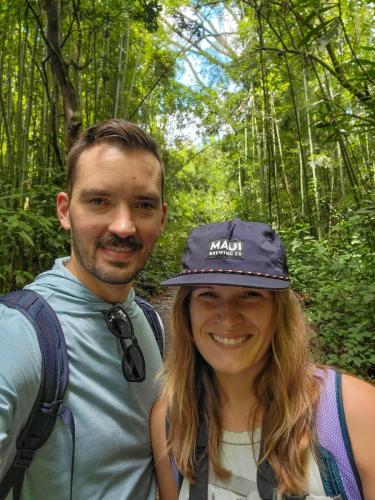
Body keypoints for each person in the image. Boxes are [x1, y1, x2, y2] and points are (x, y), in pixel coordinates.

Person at [0, 119, 167, 499]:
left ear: (162, 217)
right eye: (99, 201)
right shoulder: (20, 332)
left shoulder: (152, 323)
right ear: (64, 210)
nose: (123, 226)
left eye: (143, 204)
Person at [151, 219, 375, 500]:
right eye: (208, 294)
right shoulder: (171, 420)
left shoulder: (355, 413)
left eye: (250, 295)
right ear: (186, 311)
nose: (228, 316)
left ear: (278, 311)